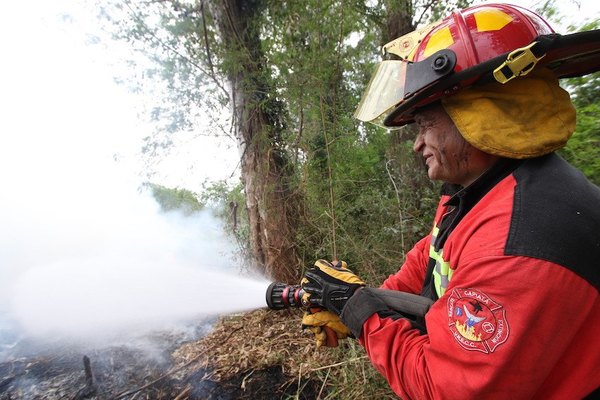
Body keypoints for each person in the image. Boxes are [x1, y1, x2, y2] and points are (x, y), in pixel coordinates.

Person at [300, 3, 600, 399]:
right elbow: (433, 255)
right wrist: (361, 302)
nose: (417, 144)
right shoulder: (483, 187)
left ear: (479, 115)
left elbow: (443, 388)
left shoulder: (520, 243)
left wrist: (360, 312)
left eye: (424, 125)